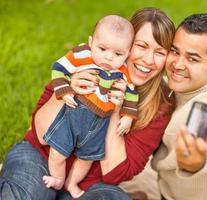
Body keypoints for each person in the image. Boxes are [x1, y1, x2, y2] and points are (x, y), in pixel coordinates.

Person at [0, 7, 175, 200]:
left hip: (89, 185)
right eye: (141, 46)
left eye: (160, 52)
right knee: (25, 196)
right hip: (41, 157)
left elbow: (115, 173)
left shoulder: (161, 106)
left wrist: (116, 110)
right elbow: (41, 135)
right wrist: (70, 89)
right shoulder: (86, 63)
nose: (148, 60)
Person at [121, 13, 207, 200]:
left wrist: (198, 160)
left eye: (192, 59)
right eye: (175, 51)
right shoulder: (196, 81)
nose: (177, 64)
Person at [42, 15, 137, 198]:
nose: (109, 57)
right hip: (73, 116)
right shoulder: (82, 55)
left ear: (128, 54)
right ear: (91, 42)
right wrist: (66, 90)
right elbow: (58, 68)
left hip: (99, 124)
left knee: (87, 159)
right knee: (57, 153)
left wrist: (128, 117)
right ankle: (58, 179)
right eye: (102, 49)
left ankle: (72, 183)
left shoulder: (123, 71)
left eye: (118, 54)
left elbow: (132, 93)